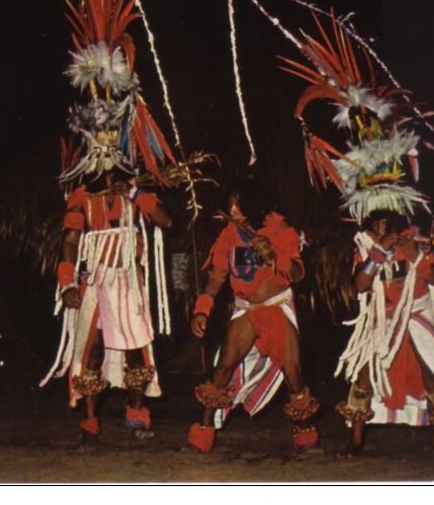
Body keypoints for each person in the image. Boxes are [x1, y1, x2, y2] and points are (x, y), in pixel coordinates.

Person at [187, 182, 321, 453]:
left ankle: (304, 432)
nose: (232, 210)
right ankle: (203, 431)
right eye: (230, 204)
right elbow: (216, 277)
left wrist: (273, 254)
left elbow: (297, 274)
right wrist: (202, 309)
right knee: (223, 367)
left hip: (277, 307)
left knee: (293, 374)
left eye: (238, 204)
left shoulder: (282, 230)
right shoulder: (229, 234)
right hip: (246, 310)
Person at [48, 171, 172, 450]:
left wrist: (133, 194)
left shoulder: (134, 192)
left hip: (128, 281)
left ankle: (136, 416)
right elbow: (70, 240)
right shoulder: (83, 198)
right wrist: (67, 283)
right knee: (92, 353)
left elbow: (166, 220)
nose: (107, 178)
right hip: (95, 281)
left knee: (137, 353)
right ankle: (90, 425)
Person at [335, 210, 434, 459]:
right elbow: (360, 284)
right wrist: (378, 252)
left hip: (417, 311)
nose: (381, 227)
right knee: (364, 375)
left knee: (431, 375)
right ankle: (356, 440)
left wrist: (417, 257)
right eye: (376, 222)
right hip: (384, 316)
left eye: (386, 221)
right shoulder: (364, 247)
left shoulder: (416, 243)